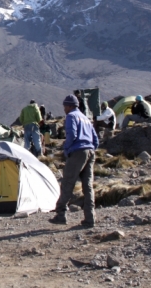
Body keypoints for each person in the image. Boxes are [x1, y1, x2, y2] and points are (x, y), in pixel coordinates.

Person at [50, 94, 99, 228]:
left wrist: (67, 149)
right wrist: (91, 149)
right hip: (90, 151)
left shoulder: (71, 116)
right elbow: (95, 139)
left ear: (70, 106)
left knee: (67, 183)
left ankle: (61, 215)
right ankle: (90, 218)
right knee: (88, 186)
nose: (64, 108)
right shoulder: (85, 118)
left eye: (65, 106)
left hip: (78, 151)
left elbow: (72, 134)